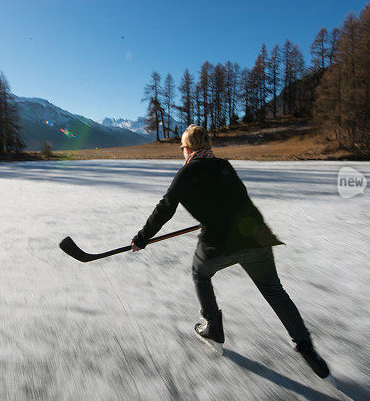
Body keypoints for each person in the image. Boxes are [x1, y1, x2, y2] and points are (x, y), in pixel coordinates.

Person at [131, 125, 330, 379]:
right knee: (275, 292)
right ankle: (305, 345)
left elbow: (164, 209)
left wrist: (141, 238)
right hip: (257, 237)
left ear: (188, 149)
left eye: (183, 149)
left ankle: (213, 327)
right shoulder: (224, 165)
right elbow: (238, 198)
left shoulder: (185, 173)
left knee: (200, 273)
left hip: (220, 243)